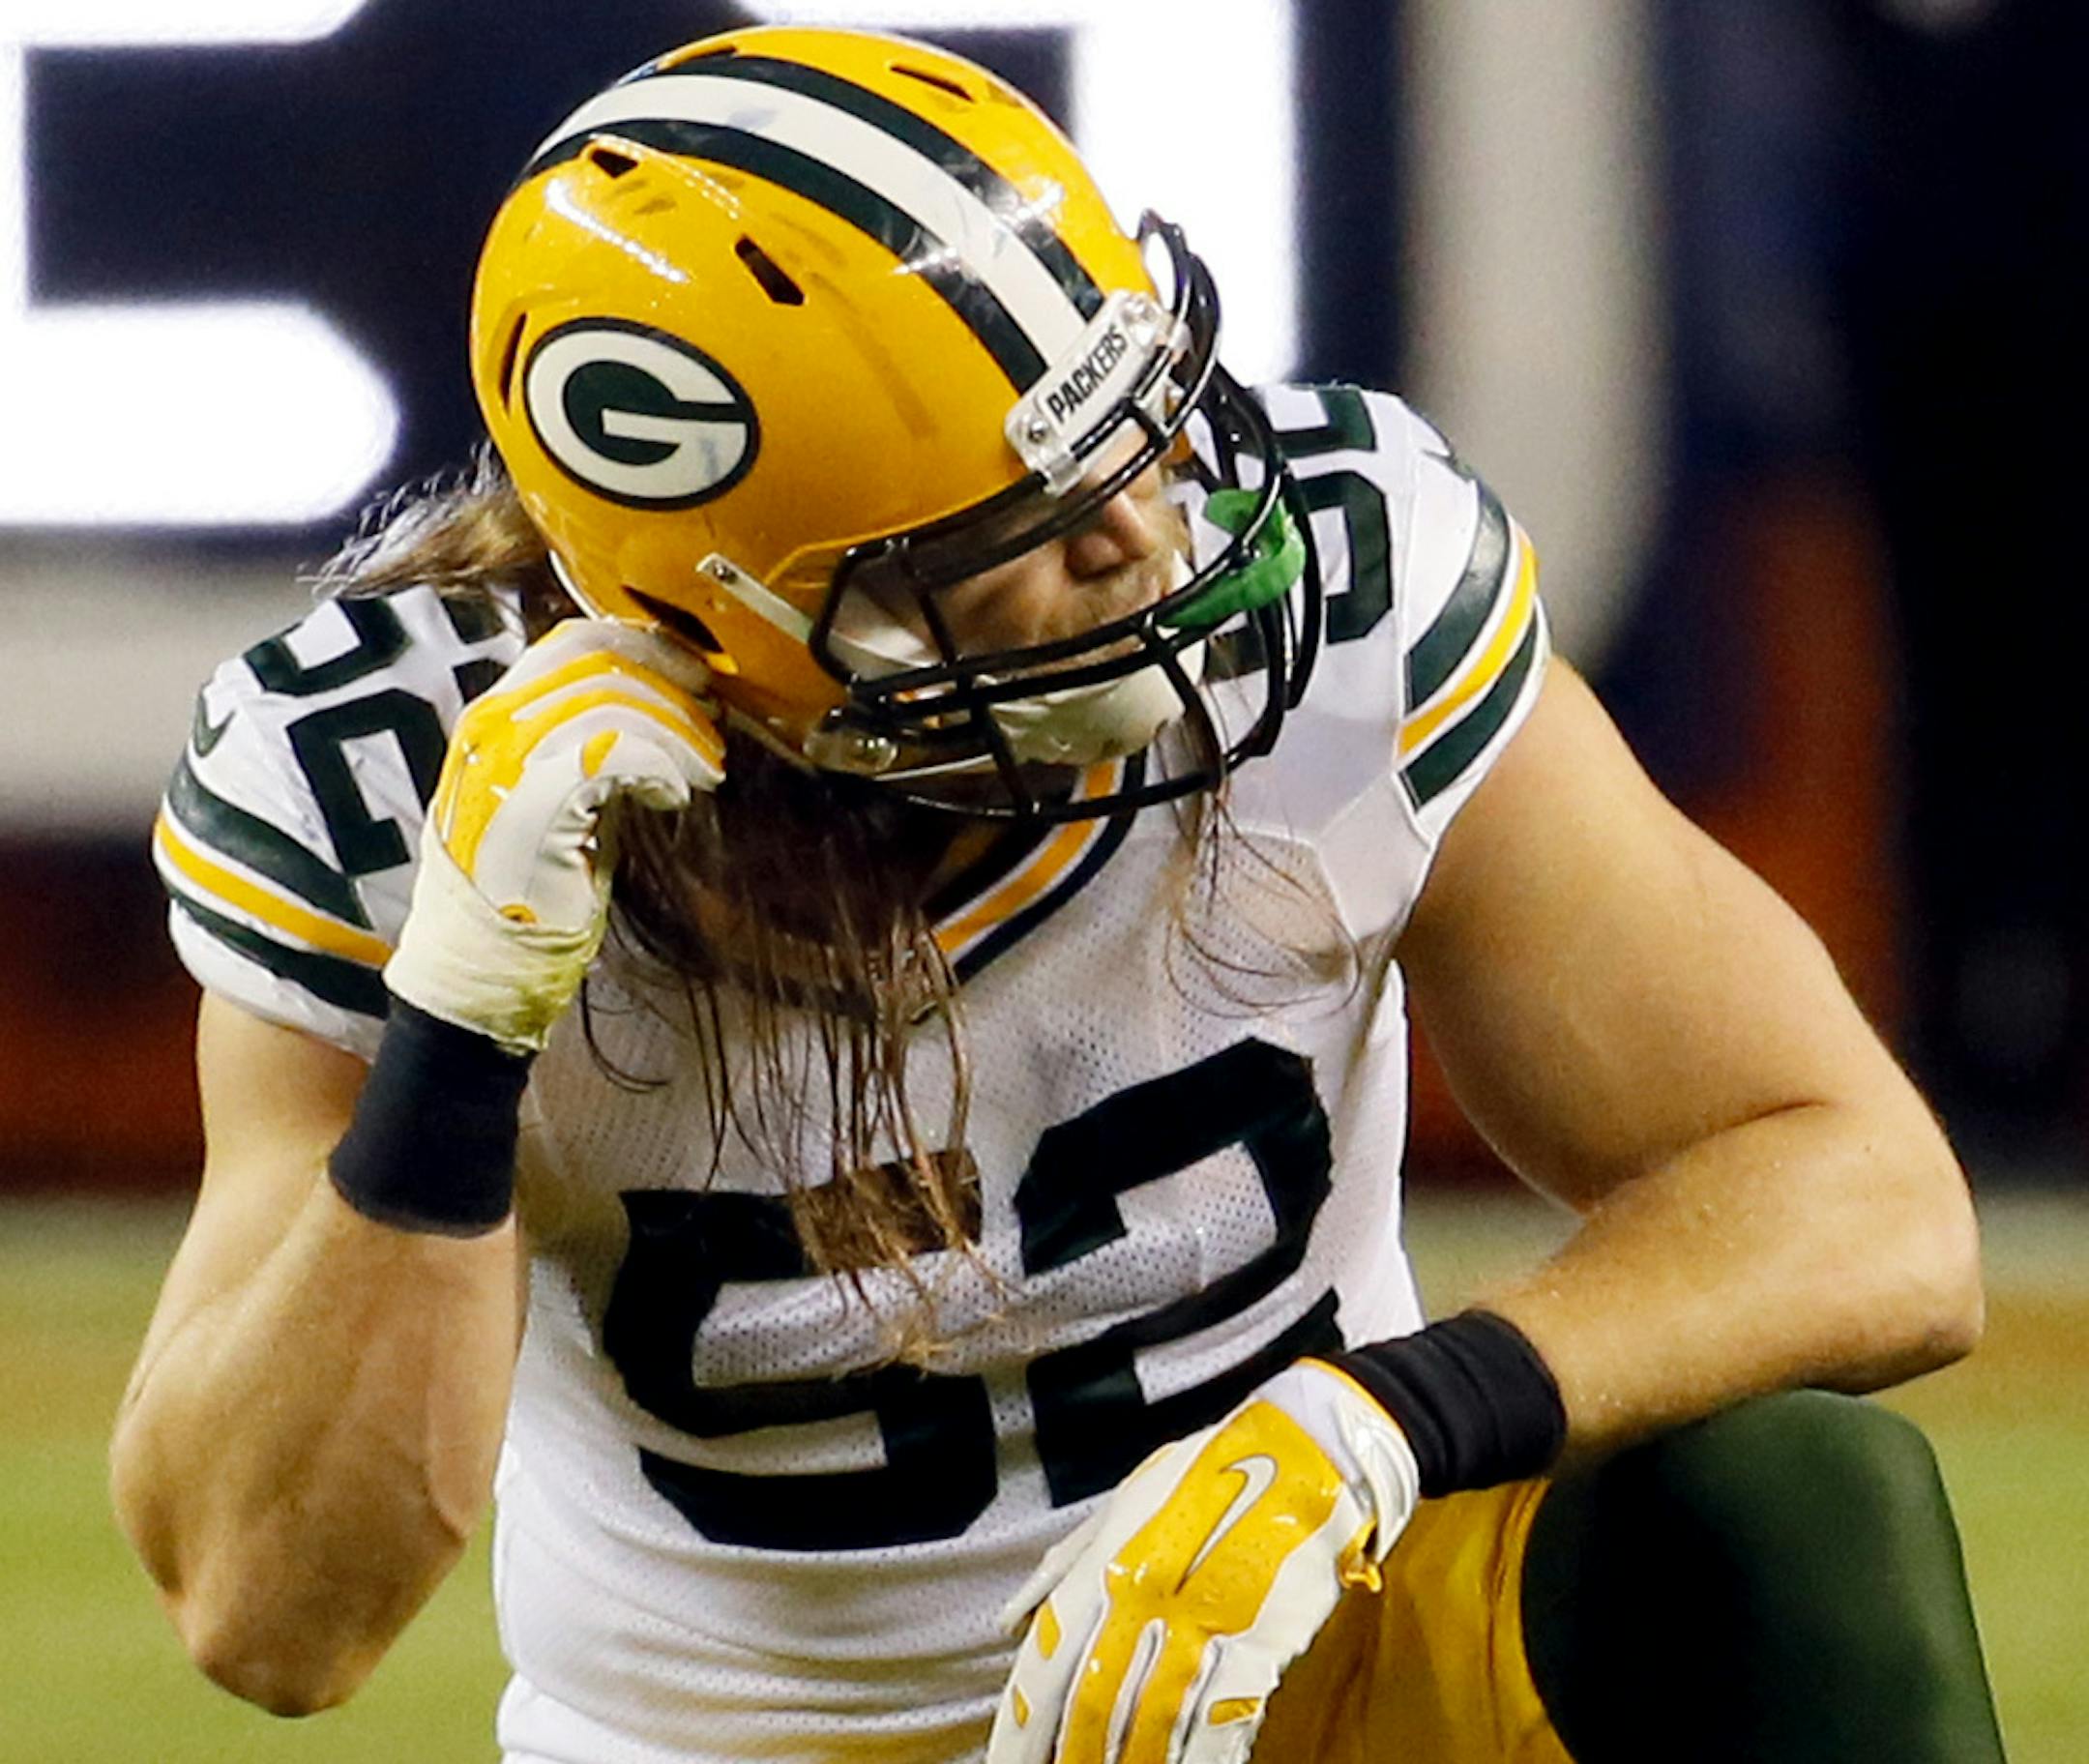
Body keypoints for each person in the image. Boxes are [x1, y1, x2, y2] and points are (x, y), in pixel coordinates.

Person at [112, 24, 2006, 1764]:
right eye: (1027, 528)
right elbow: (271, 1614)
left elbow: (1865, 1200)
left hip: (1315, 1661)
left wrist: (1384, 1419)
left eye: (1140, 419)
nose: (1153, 525)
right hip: (745, 1742)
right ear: (754, 617)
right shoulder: (398, 797)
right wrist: (458, 1031)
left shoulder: (1342, 587)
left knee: (1796, 1509)